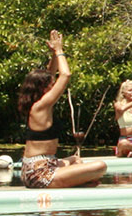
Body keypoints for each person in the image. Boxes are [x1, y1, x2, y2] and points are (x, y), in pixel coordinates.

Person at [18, 30, 106, 189]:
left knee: (75, 159)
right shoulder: (41, 106)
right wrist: (59, 50)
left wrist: (53, 55)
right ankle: (76, 183)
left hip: (43, 165)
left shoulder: (38, 102)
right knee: (100, 166)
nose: (54, 87)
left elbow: (49, 75)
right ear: (43, 88)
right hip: (38, 174)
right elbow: (65, 75)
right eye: (51, 86)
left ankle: (77, 183)